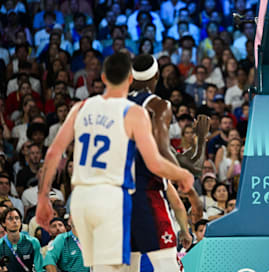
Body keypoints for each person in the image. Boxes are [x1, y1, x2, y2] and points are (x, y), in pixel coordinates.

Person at [35, 52, 194, 272]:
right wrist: (183, 175)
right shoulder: (133, 112)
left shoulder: (80, 108)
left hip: (83, 201)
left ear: (103, 77)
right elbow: (155, 163)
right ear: (130, 80)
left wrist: (43, 198)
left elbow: (52, 154)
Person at [127, 54, 205, 271]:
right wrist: (191, 190)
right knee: (168, 267)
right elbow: (161, 151)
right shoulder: (158, 105)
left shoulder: (114, 105)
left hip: (116, 197)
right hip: (146, 194)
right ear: (157, 76)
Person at [0, 208, 44, 272]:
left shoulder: (33, 242)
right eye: (10, 219)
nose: (14, 221)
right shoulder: (1, 244)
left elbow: (39, 269)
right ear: (3, 223)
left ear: (21, 222)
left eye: (17, 218)